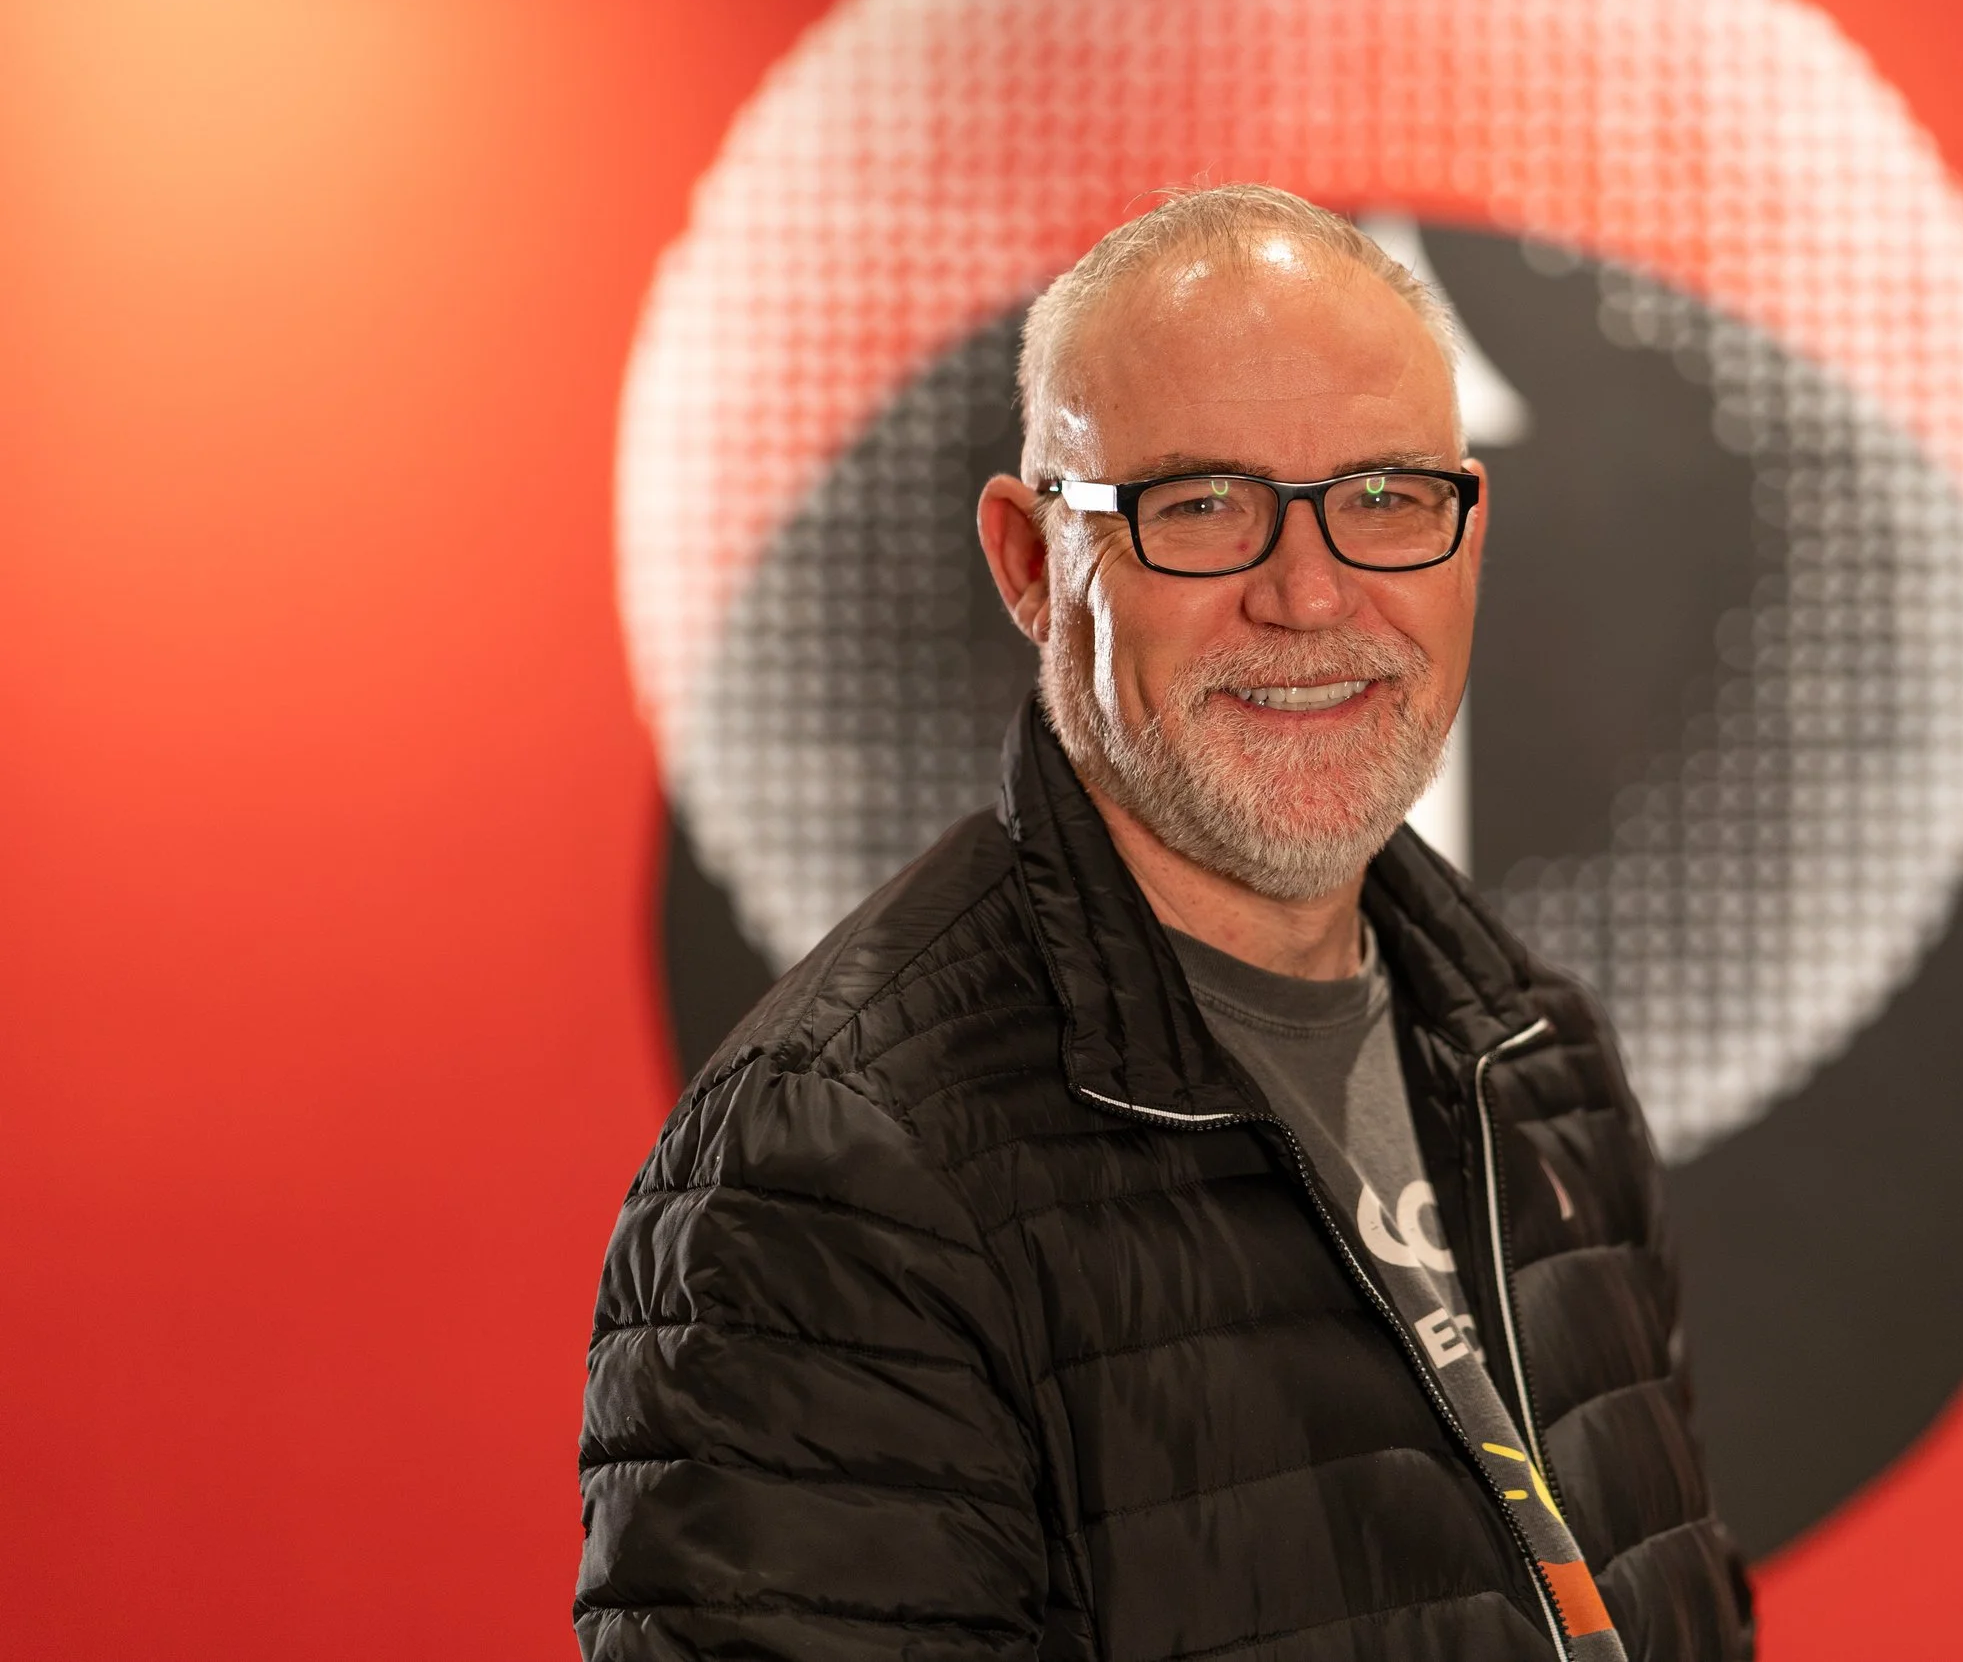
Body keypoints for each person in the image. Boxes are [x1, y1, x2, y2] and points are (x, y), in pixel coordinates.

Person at [575, 183, 1753, 1662]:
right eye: (1201, 505)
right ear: (1030, 560)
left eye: (1385, 498)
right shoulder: (835, 1166)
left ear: (1468, 531)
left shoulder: (1537, 1061)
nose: (1312, 592)